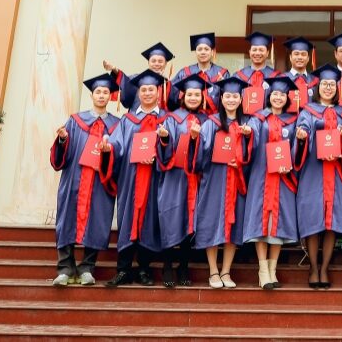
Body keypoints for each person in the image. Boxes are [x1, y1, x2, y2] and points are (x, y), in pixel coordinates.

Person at [50, 72, 119, 286]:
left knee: (97, 220)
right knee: (66, 219)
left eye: (105, 92)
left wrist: (109, 152)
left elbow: (121, 153)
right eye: (98, 92)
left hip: (100, 181)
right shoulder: (75, 121)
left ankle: (87, 267)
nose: (101, 95)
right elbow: (62, 155)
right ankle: (65, 268)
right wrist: (62, 140)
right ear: (92, 95)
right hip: (74, 179)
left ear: (110, 96)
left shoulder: (116, 125)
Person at [108, 69, 171, 286]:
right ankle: (123, 269)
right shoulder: (127, 120)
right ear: (138, 93)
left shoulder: (167, 119)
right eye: (143, 90)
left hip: (155, 179)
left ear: (158, 91)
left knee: (150, 220)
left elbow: (172, 148)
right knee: (128, 218)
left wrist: (164, 142)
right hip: (131, 178)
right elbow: (117, 144)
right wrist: (108, 148)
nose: (147, 93)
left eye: (151, 89)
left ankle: (144, 270)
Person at [240, 75, 300, 290]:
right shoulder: (258, 119)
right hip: (262, 177)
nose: (278, 98)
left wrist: (290, 162)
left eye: (282, 95)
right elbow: (252, 136)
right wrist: (248, 134)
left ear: (287, 98)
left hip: (283, 177)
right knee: (261, 223)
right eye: (275, 94)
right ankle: (262, 269)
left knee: (278, 225)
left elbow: (296, 148)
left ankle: (273, 269)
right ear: (269, 96)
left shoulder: (292, 121)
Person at [194, 76, 252, 289]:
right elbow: (201, 154)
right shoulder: (211, 123)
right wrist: (195, 138)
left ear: (241, 99)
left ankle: (226, 270)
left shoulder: (247, 124)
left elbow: (253, 155)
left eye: (235, 96)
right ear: (221, 98)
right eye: (227, 96)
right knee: (211, 222)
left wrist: (243, 155)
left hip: (236, 180)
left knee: (233, 225)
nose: (231, 100)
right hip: (215, 180)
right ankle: (213, 271)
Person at [295, 64, 342, 289]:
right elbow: (303, 130)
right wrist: (302, 136)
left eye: (331, 85)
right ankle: (313, 267)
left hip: (335, 171)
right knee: (313, 219)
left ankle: (324, 268)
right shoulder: (308, 111)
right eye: (324, 84)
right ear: (318, 87)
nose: (328, 88)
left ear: (337, 88)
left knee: (331, 222)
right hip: (314, 171)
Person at [155, 75, 209, 287]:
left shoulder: (207, 120)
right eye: (190, 94)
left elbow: (210, 150)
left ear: (202, 97)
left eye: (197, 94)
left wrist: (197, 140)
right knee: (170, 217)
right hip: (174, 177)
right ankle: (168, 265)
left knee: (190, 221)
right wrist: (164, 139)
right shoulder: (172, 119)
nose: (193, 98)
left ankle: (184, 266)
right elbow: (163, 150)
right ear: (183, 96)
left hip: (196, 177)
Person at [102, 42, 175, 111]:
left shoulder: (169, 85)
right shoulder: (137, 79)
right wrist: (115, 71)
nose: (156, 64)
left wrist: (167, 85)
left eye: (160, 61)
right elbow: (124, 87)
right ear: (148, 62)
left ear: (165, 64)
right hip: (137, 119)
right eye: (153, 61)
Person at [172, 32, 228, 112]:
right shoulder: (184, 73)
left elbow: (229, 100)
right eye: (199, 49)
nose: (203, 52)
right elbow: (172, 97)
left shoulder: (222, 74)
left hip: (215, 117)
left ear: (212, 52)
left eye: (206, 49)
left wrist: (223, 86)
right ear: (195, 52)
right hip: (188, 117)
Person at [233, 32, 276, 115]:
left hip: (267, 120)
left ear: (267, 53)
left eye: (261, 50)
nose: (257, 53)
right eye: (254, 50)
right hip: (242, 119)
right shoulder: (238, 76)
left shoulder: (276, 77)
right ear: (249, 52)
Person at [281, 37, 316, 112]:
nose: (300, 57)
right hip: (286, 118)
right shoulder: (281, 79)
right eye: (296, 54)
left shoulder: (315, 81)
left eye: (303, 54)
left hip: (310, 118)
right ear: (290, 57)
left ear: (308, 58)